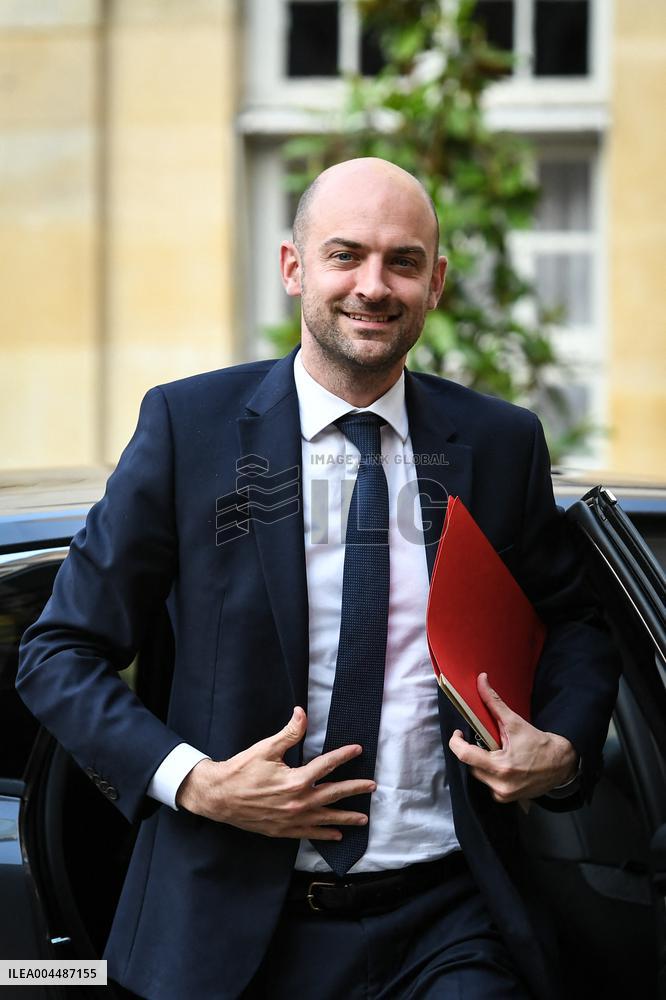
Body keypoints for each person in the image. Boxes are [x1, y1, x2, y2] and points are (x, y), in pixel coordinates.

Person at [17, 158, 619, 1000]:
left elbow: (577, 621)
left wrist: (559, 747)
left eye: (403, 262)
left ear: (435, 283)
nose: (374, 286)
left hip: (450, 916)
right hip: (228, 933)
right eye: (346, 255)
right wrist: (196, 780)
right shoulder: (188, 429)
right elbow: (58, 652)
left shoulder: (500, 442)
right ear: (294, 267)